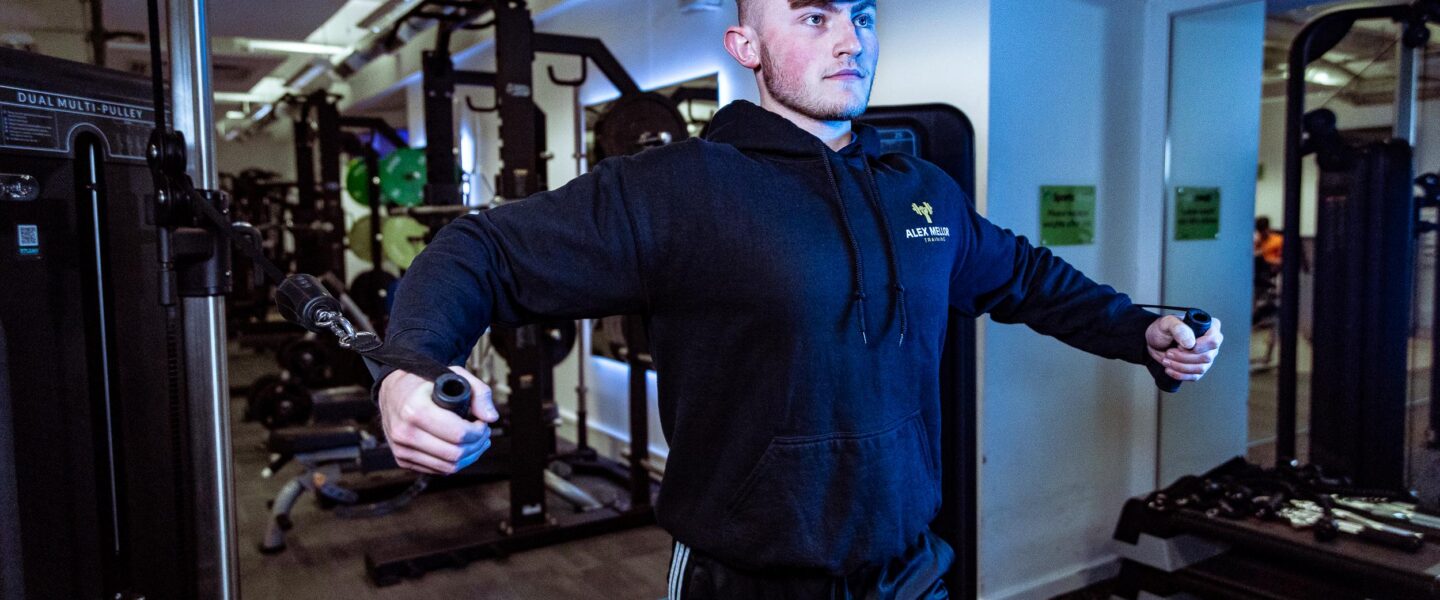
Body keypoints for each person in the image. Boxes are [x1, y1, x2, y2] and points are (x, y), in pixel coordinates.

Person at [372, 0, 1225, 597]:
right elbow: (477, 248)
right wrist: (410, 367)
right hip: (745, 579)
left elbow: (1025, 276)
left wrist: (1136, 328)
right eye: (814, 17)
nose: (849, 39)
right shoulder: (677, 190)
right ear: (747, 46)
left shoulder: (919, 186)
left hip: (909, 569)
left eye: (861, 15)